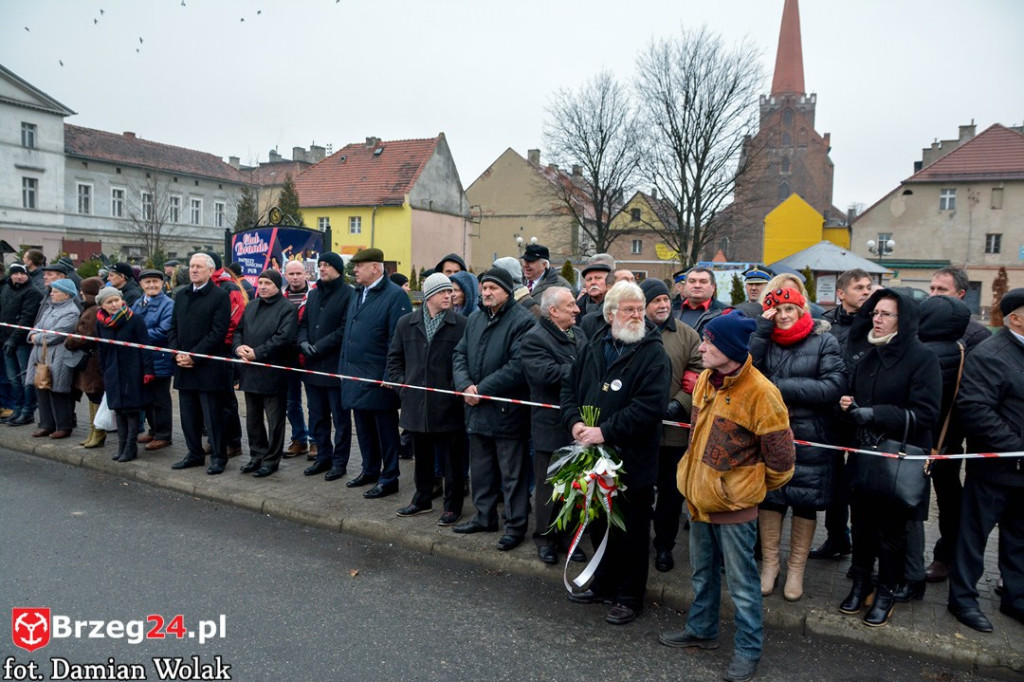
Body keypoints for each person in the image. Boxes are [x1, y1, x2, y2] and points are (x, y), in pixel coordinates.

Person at [662, 313, 795, 682]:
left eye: (710, 341)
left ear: (732, 349)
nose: (702, 347)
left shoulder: (763, 393)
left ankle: (748, 649)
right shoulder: (706, 378)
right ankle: (701, 630)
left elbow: (782, 462)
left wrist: (744, 489)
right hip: (698, 497)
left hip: (734, 506)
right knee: (702, 573)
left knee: (742, 584)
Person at [561, 281, 672, 625]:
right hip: (591, 456)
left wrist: (606, 431)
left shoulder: (653, 353)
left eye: (639, 309)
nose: (637, 315)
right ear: (610, 314)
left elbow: (650, 407)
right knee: (597, 521)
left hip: (631, 460)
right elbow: (570, 386)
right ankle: (604, 583)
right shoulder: (594, 345)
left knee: (633, 530)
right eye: (629, 309)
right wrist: (575, 422)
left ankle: (629, 596)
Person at [838, 289, 940, 627]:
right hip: (865, 454)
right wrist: (850, 407)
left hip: (898, 459)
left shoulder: (921, 357)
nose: (876, 319)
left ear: (904, 319)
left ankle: (886, 591)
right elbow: (858, 398)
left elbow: (926, 413)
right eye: (875, 313)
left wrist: (875, 413)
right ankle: (861, 584)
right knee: (863, 526)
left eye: (885, 314)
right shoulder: (869, 353)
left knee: (891, 532)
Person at [749, 287, 846, 601]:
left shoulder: (825, 340)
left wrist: (778, 388)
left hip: (813, 436)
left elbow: (833, 386)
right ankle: (770, 566)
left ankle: (796, 570)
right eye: (777, 310)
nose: (784, 315)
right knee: (771, 499)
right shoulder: (765, 339)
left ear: (802, 309)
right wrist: (762, 333)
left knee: (805, 501)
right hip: (770, 434)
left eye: (790, 308)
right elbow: (747, 372)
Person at [946, 288, 1024, 633]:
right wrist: (1016, 450)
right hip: (997, 467)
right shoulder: (992, 353)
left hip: (1021, 470)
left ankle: (1016, 597)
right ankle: (962, 599)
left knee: (1020, 536)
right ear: (1016, 317)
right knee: (973, 535)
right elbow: (975, 409)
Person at [452, 267, 535, 549]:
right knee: (481, 469)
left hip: (506, 412)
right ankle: (484, 516)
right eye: (484, 287)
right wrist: (465, 386)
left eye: (493, 288)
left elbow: (518, 366)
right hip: (475, 409)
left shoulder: (522, 321)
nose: (487, 292)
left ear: (507, 291)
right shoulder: (475, 319)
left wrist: (482, 390)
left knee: (512, 474)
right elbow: (459, 353)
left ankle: (515, 526)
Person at [387, 273, 469, 525]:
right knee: (421, 456)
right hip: (416, 404)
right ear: (428, 296)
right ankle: (421, 499)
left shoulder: (462, 324)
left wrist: (456, 390)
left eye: (450, 292)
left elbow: (466, 361)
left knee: (453, 460)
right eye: (442, 292)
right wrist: (403, 386)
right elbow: (394, 359)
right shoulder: (406, 323)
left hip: (449, 405)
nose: (449, 296)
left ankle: (452, 506)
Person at [521, 286, 587, 565]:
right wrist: (584, 371)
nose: (577, 309)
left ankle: (568, 538)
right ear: (553, 311)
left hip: (577, 422)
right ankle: (546, 539)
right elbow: (545, 374)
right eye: (571, 305)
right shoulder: (535, 338)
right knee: (549, 486)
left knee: (574, 484)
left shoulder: (579, 334)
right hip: (550, 424)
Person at [809, 268, 872, 561]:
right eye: (859, 287)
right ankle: (837, 538)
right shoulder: (825, 325)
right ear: (841, 293)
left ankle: (863, 550)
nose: (866, 291)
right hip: (830, 412)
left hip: (863, 414)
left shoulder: (876, 323)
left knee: (860, 483)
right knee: (833, 479)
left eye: (869, 286)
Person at [641, 278, 702, 574]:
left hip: (674, 432)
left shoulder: (689, 335)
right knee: (639, 490)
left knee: (669, 493)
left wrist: (679, 403)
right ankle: (637, 541)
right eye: (656, 301)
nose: (664, 305)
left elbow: (700, 372)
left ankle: (664, 546)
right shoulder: (634, 332)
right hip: (640, 431)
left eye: (666, 300)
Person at [340, 248, 411, 498]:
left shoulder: (394, 296)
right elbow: (349, 332)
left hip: (380, 378)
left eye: (360, 265)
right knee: (363, 427)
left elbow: (397, 340)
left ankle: (389, 476)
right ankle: (369, 469)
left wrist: (389, 376)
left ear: (376, 267)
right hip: (355, 375)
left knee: (385, 431)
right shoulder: (358, 293)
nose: (355, 270)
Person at [913, 295, 970, 593]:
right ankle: (948, 556)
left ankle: (914, 565)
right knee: (950, 500)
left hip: (923, 444)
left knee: (913, 505)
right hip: (949, 443)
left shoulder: (926, 353)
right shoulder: (963, 348)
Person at [167, 253, 232, 475]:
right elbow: (173, 327)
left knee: (212, 416)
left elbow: (218, 333)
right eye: (192, 266)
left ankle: (218, 457)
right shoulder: (182, 294)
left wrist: (194, 356)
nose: (193, 270)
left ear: (210, 271)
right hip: (183, 366)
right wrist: (177, 353)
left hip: (207, 367)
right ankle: (194, 453)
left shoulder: (219, 296)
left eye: (199, 267)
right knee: (188, 415)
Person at [233, 270, 298, 478]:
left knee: (274, 420)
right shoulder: (251, 306)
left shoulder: (287, 308)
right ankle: (256, 455)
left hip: (273, 371)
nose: (262, 286)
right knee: (252, 417)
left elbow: (284, 338)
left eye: (267, 283)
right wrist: (238, 348)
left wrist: (257, 353)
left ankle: (271, 460)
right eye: (260, 282)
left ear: (277, 286)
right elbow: (238, 330)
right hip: (250, 371)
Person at [299, 253, 354, 481]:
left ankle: (339, 462)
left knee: (340, 419)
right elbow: (303, 324)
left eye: (328, 265)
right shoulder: (313, 294)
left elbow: (344, 329)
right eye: (320, 265)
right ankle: (323, 456)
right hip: (312, 367)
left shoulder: (349, 294)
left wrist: (319, 346)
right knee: (317, 416)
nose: (322, 269)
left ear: (339, 269)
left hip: (334, 367)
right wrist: (302, 342)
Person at [94, 287, 152, 463]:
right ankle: (121, 445)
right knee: (118, 409)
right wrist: (104, 370)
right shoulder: (101, 322)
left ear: (122, 300)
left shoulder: (134, 319)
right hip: (113, 371)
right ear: (102, 305)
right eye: (109, 302)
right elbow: (101, 348)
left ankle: (130, 446)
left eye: (116, 301)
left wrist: (148, 370)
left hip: (132, 370)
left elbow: (145, 346)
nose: (114, 305)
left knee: (131, 409)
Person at [24, 279, 83, 439]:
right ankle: (46, 424)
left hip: (58, 356)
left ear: (66, 294)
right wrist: (34, 334)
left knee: (58, 391)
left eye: (55, 291)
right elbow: (36, 327)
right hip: (41, 355)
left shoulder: (72, 312)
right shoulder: (49, 307)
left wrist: (36, 337)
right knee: (41, 388)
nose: (51, 294)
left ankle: (63, 426)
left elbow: (56, 335)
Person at [133, 269, 175, 451]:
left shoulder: (168, 305)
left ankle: (164, 435)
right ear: (141, 284)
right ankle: (154, 429)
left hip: (160, 358)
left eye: (155, 282)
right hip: (142, 358)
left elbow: (163, 331)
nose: (151, 285)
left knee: (160, 398)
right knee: (147, 397)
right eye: (147, 282)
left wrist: (136, 336)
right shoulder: (138, 303)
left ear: (162, 283)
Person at [1, 263, 43, 426]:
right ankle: (17, 409)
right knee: (13, 378)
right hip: (6, 340)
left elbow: (26, 318)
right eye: (15, 273)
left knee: (26, 378)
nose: (19, 276)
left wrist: (13, 339)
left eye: (22, 273)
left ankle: (27, 411)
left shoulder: (32, 292)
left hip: (22, 342)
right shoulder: (6, 289)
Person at [65, 277, 105, 448]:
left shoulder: (93, 311)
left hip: (92, 361)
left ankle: (98, 432)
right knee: (91, 395)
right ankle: (92, 431)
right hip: (90, 360)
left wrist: (69, 341)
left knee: (94, 394)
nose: (80, 293)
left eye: (83, 290)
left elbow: (85, 336)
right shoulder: (90, 309)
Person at [281, 261, 313, 459]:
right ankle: (299, 439)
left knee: (314, 404)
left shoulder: (314, 296)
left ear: (305, 275)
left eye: (298, 273)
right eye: (291, 273)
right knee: (291, 403)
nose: (294, 277)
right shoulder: (280, 297)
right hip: (287, 358)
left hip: (310, 357)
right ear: (285, 275)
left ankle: (317, 442)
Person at [928, 267, 992, 352]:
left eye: (942, 289)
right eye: (932, 289)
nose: (933, 294)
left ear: (960, 293)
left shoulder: (978, 334)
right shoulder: (919, 325)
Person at [678, 267, 727, 333]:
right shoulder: (670, 310)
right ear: (685, 286)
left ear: (713, 287)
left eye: (703, 282)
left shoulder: (725, 314)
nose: (697, 285)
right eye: (692, 281)